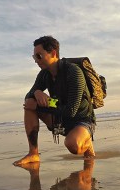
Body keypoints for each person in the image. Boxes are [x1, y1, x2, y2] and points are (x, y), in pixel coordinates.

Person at [13, 35, 96, 166]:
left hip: (81, 120)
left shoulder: (74, 72)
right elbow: (28, 98)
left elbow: (71, 111)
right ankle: (33, 153)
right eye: (34, 57)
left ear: (53, 53)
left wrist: (48, 102)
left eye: (39, 56)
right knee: (29, 105)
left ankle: (86, 143)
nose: (36, 61)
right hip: (60, 118)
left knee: (72, 145)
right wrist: (37, 92)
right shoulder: (44, 74)